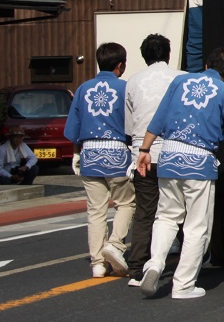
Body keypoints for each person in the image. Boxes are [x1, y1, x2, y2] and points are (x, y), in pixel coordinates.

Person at [137, 47, 224, 300]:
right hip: (199, 162)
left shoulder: (180, 81)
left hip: (168, 156)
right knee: (196, 226)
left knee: (166, 217)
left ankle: (155, 264)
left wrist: (145, 150)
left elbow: (158, 118)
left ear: (205, 65)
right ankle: (183, 285)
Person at [64, 42, 135, 279]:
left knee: (96, 210)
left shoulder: (84, 89)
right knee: (126, 203)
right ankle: (114, 244)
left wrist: (76, 153)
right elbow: (134, 125)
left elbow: (73, 128)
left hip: (89, 154)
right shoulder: (126, 88)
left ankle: (97, 263)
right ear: (120, 65)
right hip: (117, 153)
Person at [124, 34, 182, 286]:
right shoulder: (181, 78)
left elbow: (130, 122)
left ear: (144, 56)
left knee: (145, 211)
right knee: (179, 208)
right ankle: (192, 257)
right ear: (168, 54)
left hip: (142, 153)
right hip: (172, 152)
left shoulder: (133, 82)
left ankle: (136, 265)